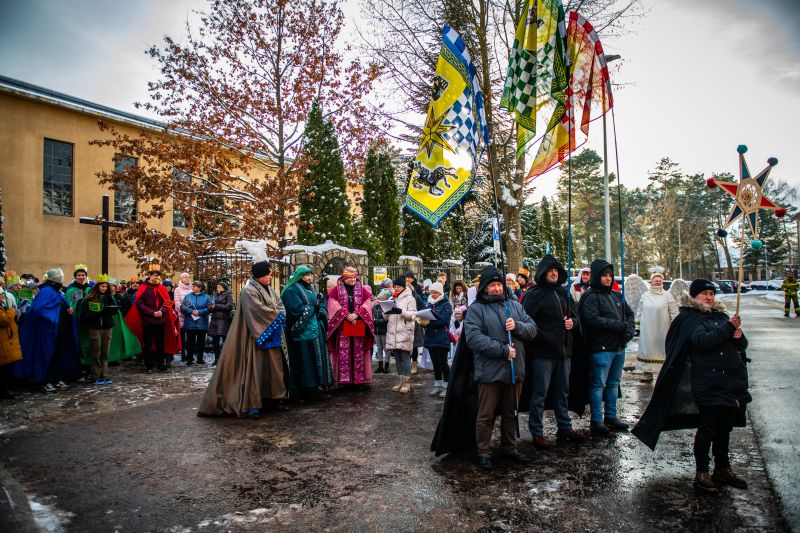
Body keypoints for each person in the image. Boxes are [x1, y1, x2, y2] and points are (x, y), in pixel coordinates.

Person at [633, 279, 750, 494]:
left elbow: (740, 345)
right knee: (708, 428)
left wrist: (739, 336)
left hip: (728, 382)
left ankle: (722, 468)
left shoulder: (720, 317)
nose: (709, 297)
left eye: (712, 294)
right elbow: (703, 341)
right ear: (694, 296)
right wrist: (728, 328)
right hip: (706, 382)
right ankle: (702, 472)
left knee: (725, 427)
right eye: (704, 293)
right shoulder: (688, 318)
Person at [467, 266, 537, 471]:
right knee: (486, 415)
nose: (497, 288)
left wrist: (517, 326)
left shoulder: (514, 306)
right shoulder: (476, 309)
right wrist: (501, 350)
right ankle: (484, 452)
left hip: (515, 369)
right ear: (485, 288)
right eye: (492, 285)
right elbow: (474, 338)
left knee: (511, 411)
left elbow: (533, 330)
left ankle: (510, 448)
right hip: (489, 371)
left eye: (499, 284)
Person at [198, 260, 289, 418]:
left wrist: (279, 313)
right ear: (259, 275)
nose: (270, 276)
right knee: (255, 368)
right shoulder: (248, 291)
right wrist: (277, 315)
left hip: (271, 335)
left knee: (273, 368)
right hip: (253, 337)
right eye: (267, 274)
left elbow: (279, 305)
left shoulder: (271, 290)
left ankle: (273, 398)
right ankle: (253, 403)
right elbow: (256, 311)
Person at [521, 255, 587, 449]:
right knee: (539, 393)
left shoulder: (563, 293)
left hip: (564, 352)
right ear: (542, 273)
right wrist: (547, 336)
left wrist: (572, 323)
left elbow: (577, 319)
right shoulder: (534, 294)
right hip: (543, 353)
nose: (554, 274)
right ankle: (537, 432)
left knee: (562, 392)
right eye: (550, 271)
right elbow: (527, 322)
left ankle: (564, 427)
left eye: (556, 272)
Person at [578, 259, 635, 435]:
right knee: (598, 385)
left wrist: (628, 332)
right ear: (597, 276)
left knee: (613, 384)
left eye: (610, 275)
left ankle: (611, 416)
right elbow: (592, 319)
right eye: (604, 275)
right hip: (601, 348)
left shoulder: (616, 295)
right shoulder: (590, 296)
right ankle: (596, 420)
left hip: (619, 347)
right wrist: (620, 326)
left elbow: (630, 314)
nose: (608, 278)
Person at [15, 268, 81, 392]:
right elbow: (38, 311)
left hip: (59, 331)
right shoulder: (47, 291)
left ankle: (57, 379)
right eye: (60, 277)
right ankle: (47, 381)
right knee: (47, 356)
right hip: (48, 332)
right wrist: (51, 318)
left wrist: (68, 312)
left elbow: (59, 308)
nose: (61, 279)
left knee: (59, 356)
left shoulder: (57, 292)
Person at [281, 265, 334, 400]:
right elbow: (295, 309)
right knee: (304, 361)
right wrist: (313, 309)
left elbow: (319, 303)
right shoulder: (292, 290)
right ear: (299, 276)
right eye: (306, 275)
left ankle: (315, 387)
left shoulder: (310, 288)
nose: (309, 278)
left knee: (314, 359)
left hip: (314, 330)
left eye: (310, 275)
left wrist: (321, 310)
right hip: (301, 332)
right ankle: (302, 390)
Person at [125, 264, 181, 374]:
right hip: (148, 321)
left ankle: (161, 365)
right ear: (149, 276)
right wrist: (152, 313)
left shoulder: (161, 288)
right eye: (155, 276)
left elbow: (168, 302)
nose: (157, 278)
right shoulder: (143, 288)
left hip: (161, 321)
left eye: (158, 276)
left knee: (161, 343)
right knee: (148, 344)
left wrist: (162, 312)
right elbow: (139, 303)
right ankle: (149, 366)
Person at [326, 267, 375, 386]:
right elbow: (333, 305)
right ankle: (344, 380)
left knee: (359, 350)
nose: (353, 279)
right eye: (350, 277)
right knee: (344, 352)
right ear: (344, 278)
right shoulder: (335, 291)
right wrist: (346, 315)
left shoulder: (363, 290)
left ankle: (359, 380)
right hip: (342, 326)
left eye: (354, 277)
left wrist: (357, 314)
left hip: (358, 324)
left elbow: (368, 304)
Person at [635, 272, 679, 382]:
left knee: (662, 349)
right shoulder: (645, 296)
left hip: (663, 328)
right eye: (656, 280)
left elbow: (674, 311)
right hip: (647, 329)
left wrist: (676, 325)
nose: (658, 281)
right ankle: (647, 373)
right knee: (647, 349)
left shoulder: (667, 295)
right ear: (651, 282)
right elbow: (639, 311)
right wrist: (637, 326)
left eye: (660, 280)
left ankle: (663, 373)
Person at [77, 275, 117, 385]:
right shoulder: (89, 298)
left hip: (107, 327)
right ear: (97, 287)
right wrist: (96, 312)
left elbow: (114, 311)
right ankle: (96, 375)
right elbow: (85, 314)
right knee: (96, 352)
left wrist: (109, 310)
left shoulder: (109, 298)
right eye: (102, 286)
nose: (104, 288)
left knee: (105, 351)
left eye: (105, 286)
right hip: (95, 328)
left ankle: (105, 374)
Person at [384, 275, 417, 393]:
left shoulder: (410, 298)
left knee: (405, 357)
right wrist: (387, 309)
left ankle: (406, 383)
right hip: (393, 333)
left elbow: (413, 315)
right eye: (395, 286)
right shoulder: (393, 298)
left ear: (403, 287)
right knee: (397, 357)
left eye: (398, 286)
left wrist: (401, 312)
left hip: (404, 332)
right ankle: (400, 381)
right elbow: (386, 317)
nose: (396, 288)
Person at [424, 281, 452, 398]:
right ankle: (438, 385)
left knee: (443, 363)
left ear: (440, 292)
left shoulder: (446, 305)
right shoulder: (429, 304)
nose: (433, 294)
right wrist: (422, 321)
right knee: (435, 363)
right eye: (432, 292)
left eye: (435, 292)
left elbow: (443, 321)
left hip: (441, 338)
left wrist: (429, 322)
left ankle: (447, 386)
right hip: (431, 338)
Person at [181, 280, 212, 365]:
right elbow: (182, 307)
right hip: (190, 322)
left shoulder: (207, 297)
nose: (192, 287)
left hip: (202, 323)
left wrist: (200, 312)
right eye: (192, 286)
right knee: (190, 342)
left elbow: (210, 308)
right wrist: (192, 311)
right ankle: (190, 359)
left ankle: (200, 358)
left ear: (199, 288)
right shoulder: (188, 296)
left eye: (194, 286)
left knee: (201, 343)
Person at [0, 284, 22, 399]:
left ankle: (5, 389)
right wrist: (12, 309)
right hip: (4, 341)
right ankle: (5, 390)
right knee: (4, 369)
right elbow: (5, 320)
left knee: (7, 367)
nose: (2, 298)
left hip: (7, 340)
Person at [208, 281, 233, 366]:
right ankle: (216, 359)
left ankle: (226, 359)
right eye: (217, 286)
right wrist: (211, 307)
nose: (218, 288)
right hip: (215, 320)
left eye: (220, 287)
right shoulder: (214, 295)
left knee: (225, 340)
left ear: (224, 287)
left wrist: (217, 306)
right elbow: (209, 305)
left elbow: (229, 306)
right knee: (215, 341)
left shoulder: (228, 294)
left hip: (224, 320)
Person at [372, 278, 392, 374]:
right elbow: (372, 317)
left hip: (384, 330)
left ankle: (386, 365)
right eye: (377, 298)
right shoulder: (374, 307)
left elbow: (386, 319)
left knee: (386, 348)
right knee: (379, 348)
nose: (377, 300)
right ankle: (380, 365)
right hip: (377, 331)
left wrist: (376, 321)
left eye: (379, 299)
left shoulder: (385, 307)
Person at [174, 272, 193, 362]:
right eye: (185, 277)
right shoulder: (177, 289)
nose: (187, 279)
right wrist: (184, 309)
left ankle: (190, 354)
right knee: (182, 336)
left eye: (189, 277)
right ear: (181, 279)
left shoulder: (193, 288)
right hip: (181, 315)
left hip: (191, 316)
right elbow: (177, 302)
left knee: (190, 337)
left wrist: (191, 310)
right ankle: (183, 354)